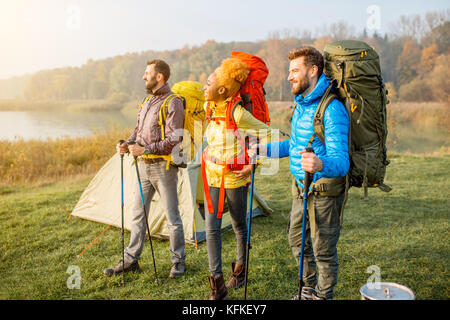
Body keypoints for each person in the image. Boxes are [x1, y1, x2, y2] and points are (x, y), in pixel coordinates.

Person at [254, 46, 349, 300]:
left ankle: (322, 296)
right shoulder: (302, 105)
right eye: (289, 71)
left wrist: (320, 164)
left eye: (295, 70)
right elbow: (293, 145)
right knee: (297, 240)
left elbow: (342, 162)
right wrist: (262, 149)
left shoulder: (332, 109)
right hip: (300, 188)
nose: (289, 76)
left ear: (313, 70)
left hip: (324, 193)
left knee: (323, 251)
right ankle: (307, 290)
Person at [104, 59, 187, 279]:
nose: (144, 76)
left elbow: (175, 139)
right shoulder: (147, 101)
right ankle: (131, 260)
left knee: (173, 217)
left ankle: (178, 263)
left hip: (164, 167)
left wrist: (146, 150)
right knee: (138, 214)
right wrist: (127, 143)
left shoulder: (174, 103)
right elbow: (138, 131)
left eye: (147, 73)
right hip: (143, 168)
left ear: (159, 76)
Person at [202, 57, 271, 300]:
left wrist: (253, 163)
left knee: (239, 225)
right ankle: (217, 284)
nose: (204, 86)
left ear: (221, 89)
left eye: (208, 82)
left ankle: (240, 272)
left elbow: (265, 131)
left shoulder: (237, 112)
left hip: (234, 179)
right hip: (212, 177)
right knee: (211, 229)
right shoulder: (210, 108)